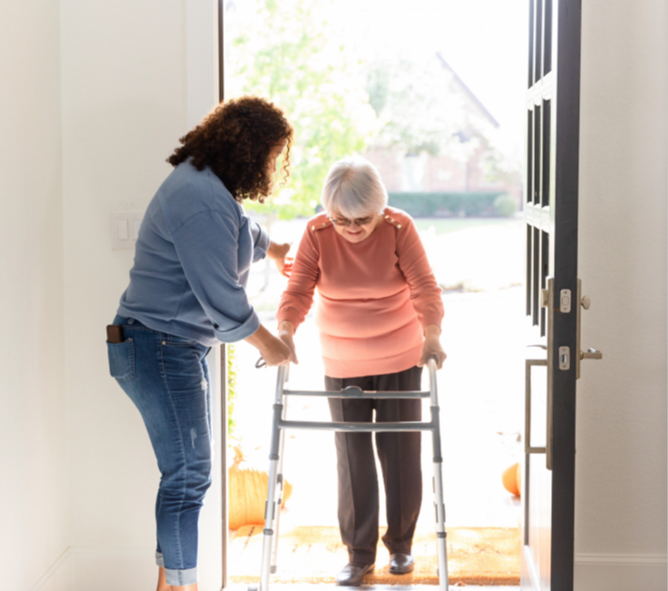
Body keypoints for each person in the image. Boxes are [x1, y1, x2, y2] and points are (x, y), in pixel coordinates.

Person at [106, 96, 295, 591]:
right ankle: (184, 588)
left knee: (184, 476)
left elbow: (239, 229)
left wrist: (272, 249)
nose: (274, 167)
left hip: (165, 346)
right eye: (273, 157)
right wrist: (269, 344)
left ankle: (172, 584)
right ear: (249, 151)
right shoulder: (200, 198)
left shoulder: (206, 184)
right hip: (159, 347)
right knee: (188, 478)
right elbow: (222, 296)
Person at [277, 156, 446, 586]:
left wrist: (431, 334)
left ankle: (402, 545)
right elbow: (298, 289)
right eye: (341, 219)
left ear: (381, 207)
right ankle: (358, 554)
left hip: (400, 354)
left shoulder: (398, 228)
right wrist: (285, 331)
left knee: (401, 450)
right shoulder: (316, 233)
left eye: (362, 219)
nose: (352, 229)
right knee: (352, 457)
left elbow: (424, 285)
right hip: (342, 359)